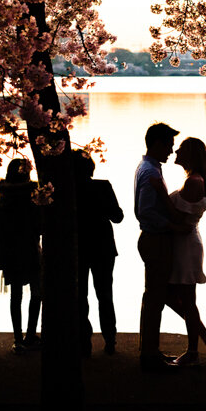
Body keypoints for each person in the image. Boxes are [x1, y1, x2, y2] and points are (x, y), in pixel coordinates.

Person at [134, 122, 187, 372]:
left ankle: (150, 350)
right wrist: (173, 226)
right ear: (157, 143)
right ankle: (149, 355)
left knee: (152, 297)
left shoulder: (148, 168)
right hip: (155, 239)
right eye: (168, 145)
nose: (171, 150)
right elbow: (145, 211)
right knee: (154, 298)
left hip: (153, 238)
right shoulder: (151, 173)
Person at [167, 137, 206, 366]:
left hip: (185, 245)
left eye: (181, 149)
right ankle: (205, 337)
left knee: (185, 299)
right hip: (184, 243)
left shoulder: (194, 182)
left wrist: (159, 194)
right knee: (174, 296)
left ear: (190, 154)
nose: (176, 151)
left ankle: (193, 352)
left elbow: (177, 217)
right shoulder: (192, 179)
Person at [73, 150, 123, 357]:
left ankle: (84, 342)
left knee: (80, 296)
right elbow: (118, 216)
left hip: (79, 248)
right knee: (105, 294)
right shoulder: (103, 186)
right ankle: (110, 339)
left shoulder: (68, 190)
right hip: (103, 247)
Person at [0, 158, 43, 353]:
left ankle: (17, 338)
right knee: (36, 292)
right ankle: (31, 334)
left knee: (16, 296)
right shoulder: (32, 193)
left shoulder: (3, 195)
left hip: (10, 250)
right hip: (30, 247)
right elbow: (39, 223)